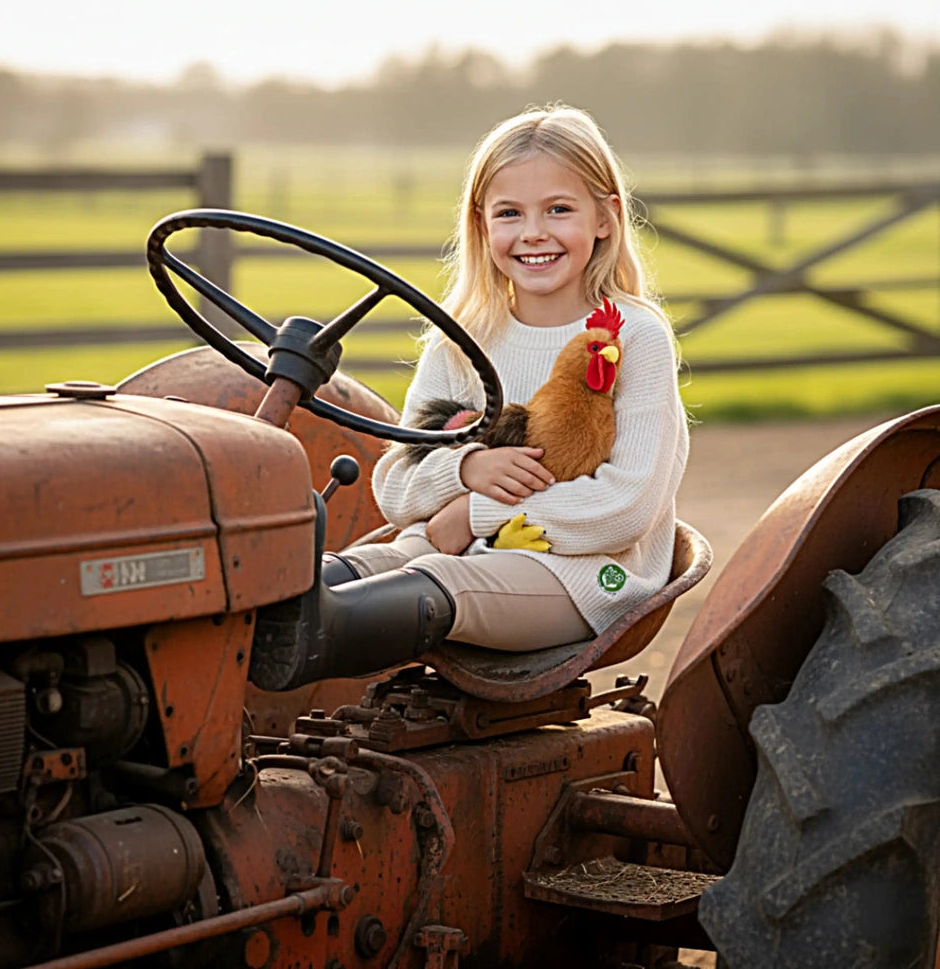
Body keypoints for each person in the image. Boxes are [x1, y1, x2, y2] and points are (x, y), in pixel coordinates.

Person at [253, 103, 688, 692]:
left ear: (606, 217)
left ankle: (298, 643)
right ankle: (263, 617)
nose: (533, 232)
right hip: (443, 548)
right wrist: (465, 467)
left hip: (583, 576)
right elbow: (395, 485)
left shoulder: (632, 337)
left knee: (430, 581)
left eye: (558, 209)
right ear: (481, 224)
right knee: (333, 578)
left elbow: (625, 508)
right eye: (509, 213)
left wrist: (478, 512)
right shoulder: (462, 340)